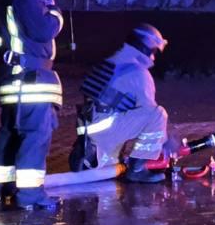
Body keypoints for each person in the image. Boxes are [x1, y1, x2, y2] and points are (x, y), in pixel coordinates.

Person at [0, 0, 64, 210]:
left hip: (9, 78)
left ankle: (3, 187)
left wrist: (6, 53)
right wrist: (54, 12)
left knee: (10, 132)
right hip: (29, 80)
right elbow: (44, 30)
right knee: (35, 134)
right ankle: (30, 196)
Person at [69, 23, 173, 183]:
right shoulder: (138, 72)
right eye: (153, 52)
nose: (153, 57)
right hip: (106, 130)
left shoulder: (112, 62)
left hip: (90, 130)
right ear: (145, 48)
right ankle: (137, 170)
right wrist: (167, 142)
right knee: (158, 115)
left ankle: (91, 154)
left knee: (108, 167)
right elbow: (149, 112)